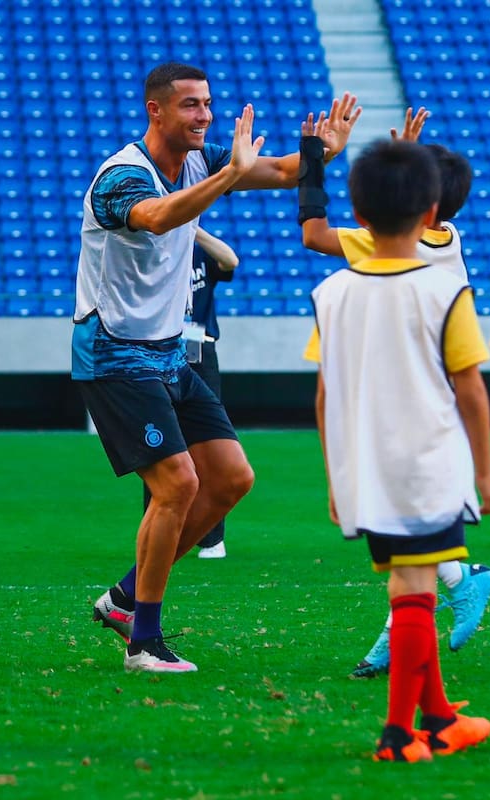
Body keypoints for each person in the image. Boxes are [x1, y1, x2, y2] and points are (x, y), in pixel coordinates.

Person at [80, 62, 360, 673]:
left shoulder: (203, 163)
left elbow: (287, 171)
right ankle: (143, 643)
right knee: (178, 484)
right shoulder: (121, 176)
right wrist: (228, 173)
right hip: (116, 353)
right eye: (190, 106)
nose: (205, 115)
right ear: (156, 111)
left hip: (170, 352)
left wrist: (321, 156)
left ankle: (126, 598)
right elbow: (157, 216)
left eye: (207, 104)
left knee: (231, 479)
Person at [302, 136, 490, 762]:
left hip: (366, 466)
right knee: (415, 590)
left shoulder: (331, 293)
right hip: (427, 463)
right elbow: (470, 388)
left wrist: (338, 479)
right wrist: (488, 471)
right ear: (429, 214)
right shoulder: (445, 290)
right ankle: (402, 733)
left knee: (405, 587)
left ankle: (439, 712)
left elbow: (324, 394)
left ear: (357, 217)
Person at [139, 227, 240, 560]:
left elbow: (230, 260)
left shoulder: (200, 251)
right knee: (160, 445)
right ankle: (158, 530)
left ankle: (211, 538)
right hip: (159, 350)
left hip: (201, 352)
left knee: (209, 442)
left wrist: (194, 231)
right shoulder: (151, 254)